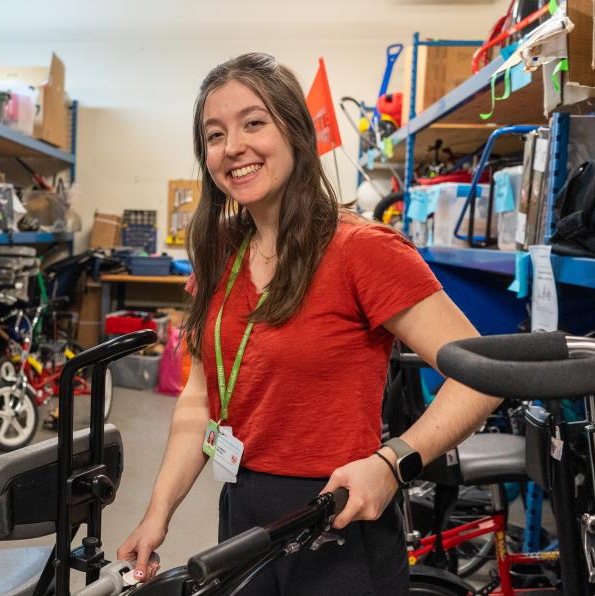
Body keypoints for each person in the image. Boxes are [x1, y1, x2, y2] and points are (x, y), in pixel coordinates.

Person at [116, 52, 502, 595]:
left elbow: (480, 374)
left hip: (339, 516)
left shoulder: (361, 249)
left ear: (296, 132)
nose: (233, 148)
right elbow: (201, 399)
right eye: (214, 134)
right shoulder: (219, 253)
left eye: (254, 123)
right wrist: (158, 513)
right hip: (244, 513)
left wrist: (392, 463)